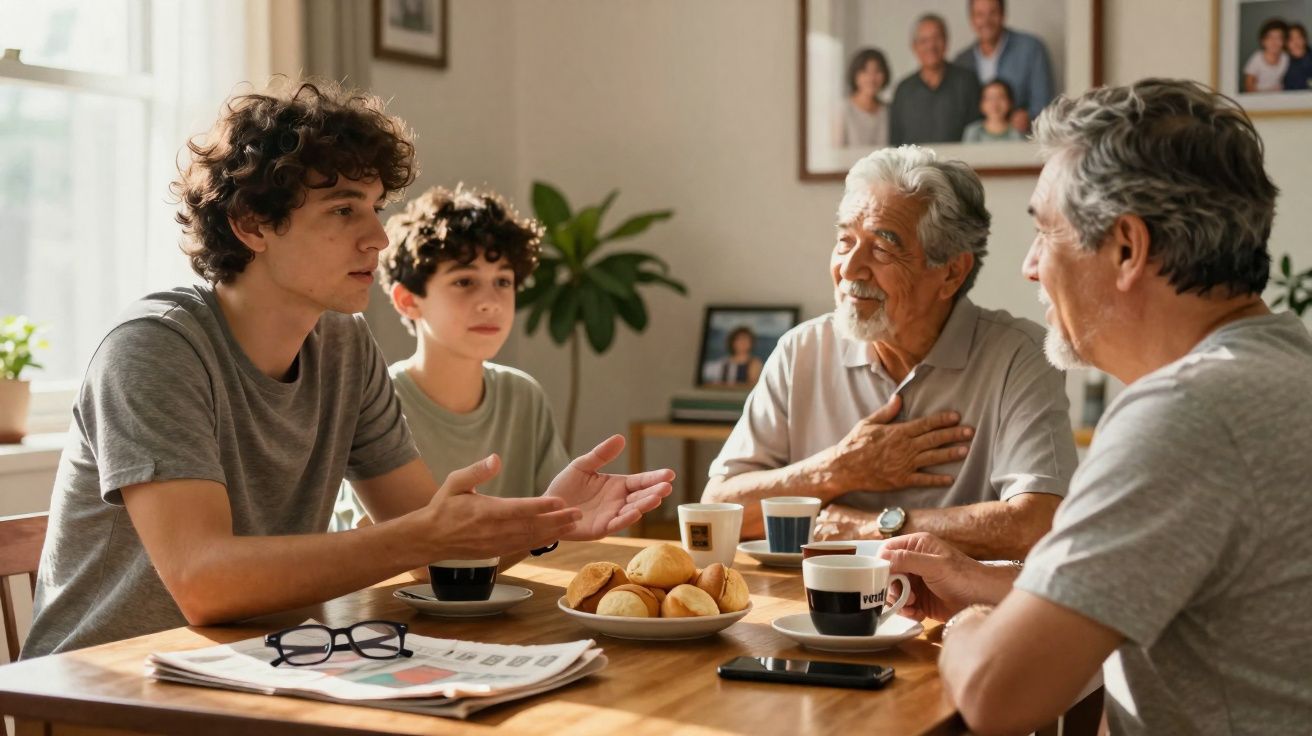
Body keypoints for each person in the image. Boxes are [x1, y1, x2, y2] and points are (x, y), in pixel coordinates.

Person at [23, 80, 674, 658]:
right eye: (343, 209)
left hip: (266, 666)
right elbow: (204, 583)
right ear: (251, 224)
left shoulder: (344, 345)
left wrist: (548, 519)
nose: (379, 237)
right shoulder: (153, 349)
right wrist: (420, 536)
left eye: (375, 207)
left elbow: (435, 544)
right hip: (103, 690)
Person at [882, 79, 1311, 734]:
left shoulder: (1185, 415)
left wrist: (972, 623)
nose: (1030, 267)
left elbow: (1000, 696)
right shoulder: (1282, 369)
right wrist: (980, 582)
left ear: (1127, 248)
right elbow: (1161, 589)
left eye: (1044, 232)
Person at [702, 145, 1076, 561]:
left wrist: (865, 528)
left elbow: (1035, 525)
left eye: (881, 249)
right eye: (845, 241)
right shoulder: (801, 350)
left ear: (951, 272)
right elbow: (717, 510)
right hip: (808, 597)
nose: (849, 268)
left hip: (951, 601)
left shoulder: (1019, 356)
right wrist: (838, 469)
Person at [331, 185, 570, 532]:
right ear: (408, 300)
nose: (490, 302)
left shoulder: (523, 395)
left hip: (503, 569)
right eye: (464, 281)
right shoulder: (376, 401)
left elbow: (553, 519)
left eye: (503, 281)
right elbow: (376, 543)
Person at [952, 0, 1056, 133]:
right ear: (971, 19)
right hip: (976, 142)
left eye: (992, 13)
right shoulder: (962, 61)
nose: (986, 21)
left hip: (1021, 140)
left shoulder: (1031, 49)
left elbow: (1045, 104)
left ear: (1003, 14)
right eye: (979, 14)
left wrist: (1029, 117)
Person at [889, 15, 982, 146]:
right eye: (924, 41)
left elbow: (978, 132)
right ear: (914, 46)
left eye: (936, 38)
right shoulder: (903, 90)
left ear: (946, 41)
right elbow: (895, 142)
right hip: (916, 160)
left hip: (961, 159)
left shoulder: (967, 81)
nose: (931, 46)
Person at [833, 47, 891, 149]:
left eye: (877, 71)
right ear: (855, 75)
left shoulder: (888, 110)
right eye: (865, 71)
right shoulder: (843, 109)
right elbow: (836, 151)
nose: (871, 78)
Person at [961, 79, 1025, 143]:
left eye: (1000, 97)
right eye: (989, 98)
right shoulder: (972, 131)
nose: (994, 104)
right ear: (981, 104)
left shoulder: (1018, 131)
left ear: (1010, 102)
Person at [1244, 18, 1290, 92]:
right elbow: (1248, 85)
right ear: (1263, 41)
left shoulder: (1285, 58)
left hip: (1279, 95)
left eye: (1278, 38)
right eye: (1270, 37)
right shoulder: (1257, 58)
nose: (1274, 42)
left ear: (1284, 41)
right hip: (1259, 96)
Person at [1283, 22, 1312, 91]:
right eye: (1291, 39)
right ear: (1286, 43)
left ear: (1305, 39)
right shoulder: (1283, 60)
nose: (1296, 42)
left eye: (1299, 37)